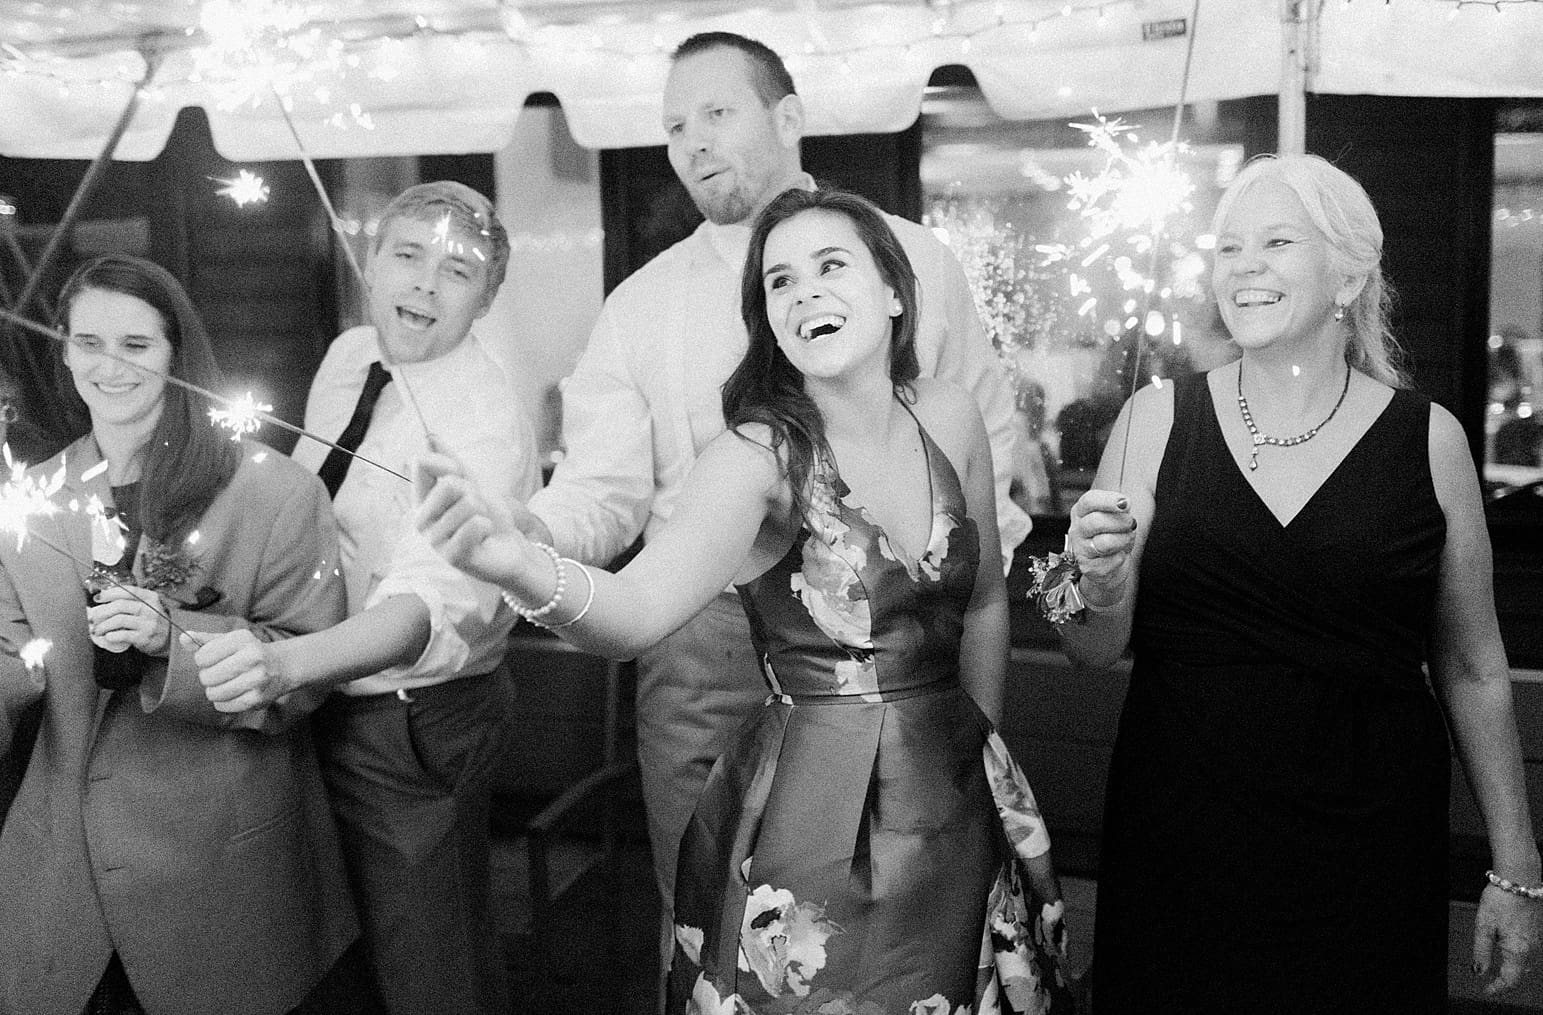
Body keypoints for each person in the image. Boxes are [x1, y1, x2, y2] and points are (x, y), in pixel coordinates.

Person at [418, 185, 1070, 1014]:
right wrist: (513, 562)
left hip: (961, 795)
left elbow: (980, 602)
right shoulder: (756, 454)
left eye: (831, 266)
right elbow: (636, 611)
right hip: (817, 820)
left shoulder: (947, 413)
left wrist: (980, 763)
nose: (805, 294)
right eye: (780, 282)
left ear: (895, 291)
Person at [521, 31, 1030, 972]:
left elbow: (982, 464)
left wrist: (970, 709)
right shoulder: (639, 304)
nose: (692, 143)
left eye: (717, 113)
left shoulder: (916, 259)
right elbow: (601, 492)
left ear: (788, 117)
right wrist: (528, 535)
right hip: (700, 640)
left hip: (899, 644)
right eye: (674, 126)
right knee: (714, 916)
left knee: (923, 931)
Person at [1058, 154, 1541, 1013]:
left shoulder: (1428, 441)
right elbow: (1087, 646)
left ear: (1349, 272)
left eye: (1275, 242)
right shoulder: (1156, 419)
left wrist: (1516, 863)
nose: (1242, 266)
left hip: (1367, 844)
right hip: (1181, 834)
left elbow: (1471, 665)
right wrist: (1088, 582)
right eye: (1227, 247)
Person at [190, 182, 539, 1014]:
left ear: (488, 296)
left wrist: (282, 663)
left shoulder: (484, 422)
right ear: (370, 264)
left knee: (430, 972)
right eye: (407, 254)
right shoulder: (350, 355)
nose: (423, 284)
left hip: (413, 722)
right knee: (336, 955)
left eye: (458, 270)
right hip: (319, 695)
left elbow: (422, 611)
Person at [0, 254, 357, 1014]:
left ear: (178, 354)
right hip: (69, 872)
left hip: (222, 868)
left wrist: (175, 639)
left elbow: (309, 671)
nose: (109, 364)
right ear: (61, 350)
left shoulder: (278, 492)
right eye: (88, 342)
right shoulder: (26, 500)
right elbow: (10, 659)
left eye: (137, 345)